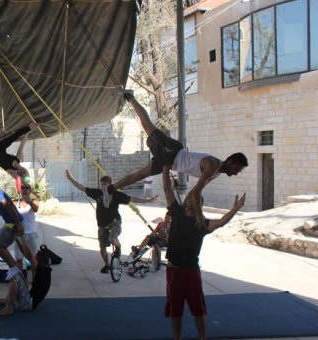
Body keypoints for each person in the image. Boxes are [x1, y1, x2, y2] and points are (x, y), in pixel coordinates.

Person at [111, 91, 248, 228]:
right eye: (236, 169)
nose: (236, 173)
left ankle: (111, 189)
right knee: (147, 126)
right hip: (171, 152)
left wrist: (181, 210)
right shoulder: (213, 165)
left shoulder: (216, 173)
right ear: (230, 161)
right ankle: (130, 96)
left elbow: (193, 191)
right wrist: (199, 217)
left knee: (140, 175)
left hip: (170, 162)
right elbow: (196, 192)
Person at [161, 165, 245, 340]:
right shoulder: (176, 214)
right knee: (175, 310)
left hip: (191, 272)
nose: (192, 202)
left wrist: (235, 209)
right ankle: (177, 338)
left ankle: (203, 338)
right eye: (190, 200)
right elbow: (167, 189)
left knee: (197, 309)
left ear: (200, 205)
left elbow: (221, 222)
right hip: (174, 270)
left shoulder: (202, 224)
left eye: (196, 200)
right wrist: (164, 167)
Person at [65, 169, 157, 274]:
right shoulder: (97, 193)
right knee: (102, 247)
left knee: (113, 238)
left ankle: (118, 247)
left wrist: (148, 200)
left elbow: (132, 199)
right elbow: (81, 187)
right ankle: (107, 265)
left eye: (106, 184)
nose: (104, 186)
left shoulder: (117, 194)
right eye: (102, 184)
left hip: (115, 222)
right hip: (102, 224)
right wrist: (70, 178)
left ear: (110, 185)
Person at [0, 248, 52, 317]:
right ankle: (7, 301)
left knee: (15, 276)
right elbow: (27, 253)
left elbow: (28, 254)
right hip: (28, 300)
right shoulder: (45, 270)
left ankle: (9, 308)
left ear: (39, 261)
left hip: (27, 305)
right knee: (16, 271)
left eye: (36, 258)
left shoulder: (42, 271)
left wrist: (20, 238)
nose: (34, 258)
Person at [12, 182, 39, 280]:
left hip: (31, 233)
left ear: (30, 190)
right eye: (22, 187)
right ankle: (22, 280)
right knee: (18, 258)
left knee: (33, 258)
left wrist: (30, 202)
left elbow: (35, 209)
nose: (24, 189)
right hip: (19, 234)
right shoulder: (15, 202)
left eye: (26, 188)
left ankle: (34, 280)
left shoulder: (34, 201)